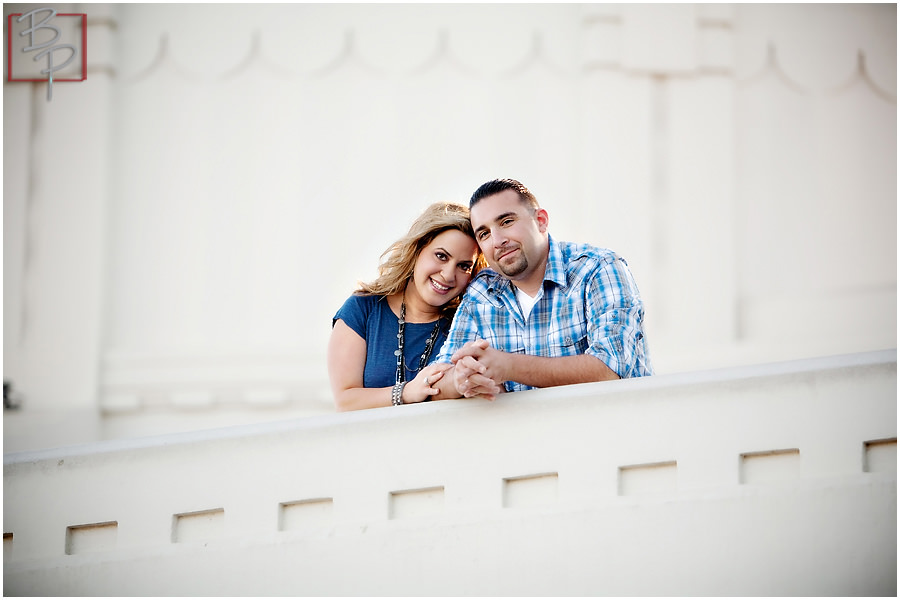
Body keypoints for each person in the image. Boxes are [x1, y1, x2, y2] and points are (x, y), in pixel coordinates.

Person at [432, 178, 653, 400]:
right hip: (521, 435)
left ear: (541, 221)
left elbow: (612, 368)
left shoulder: (598, 268)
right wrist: (462, 379)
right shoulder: (481, 292)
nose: (497, 241)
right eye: (484, 234)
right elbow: (436, 381)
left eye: (507, 221)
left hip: (611, 430)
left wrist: (508, 366)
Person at [328, 202, 486, 411]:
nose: (448, 275)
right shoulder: (362, 309)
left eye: (463, 266)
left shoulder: (467, 324)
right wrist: (406, 392)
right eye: (441, 256)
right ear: (417, 250)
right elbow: (345, 400)